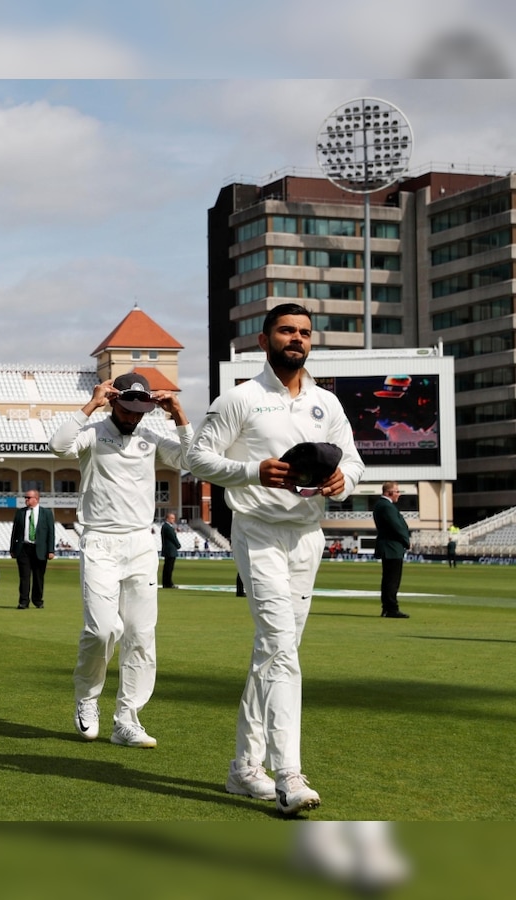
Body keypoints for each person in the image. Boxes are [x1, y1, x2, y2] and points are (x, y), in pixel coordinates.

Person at [187, 303, 365, 816]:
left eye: (305, 333)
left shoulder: (326, 403)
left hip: (307, 535)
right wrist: (251, 471)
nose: (297, 339)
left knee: (273, 653)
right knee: (281, 647)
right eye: (286, 331)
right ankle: (289, 774)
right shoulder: (239, 399)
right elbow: (198, 459)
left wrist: (342, 481)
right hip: (258, 532)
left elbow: (351, 459)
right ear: (264, 341)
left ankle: (244, 769)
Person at [49, 373, 191, 750]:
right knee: (102, 630)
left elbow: (190, 459)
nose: (133, 417)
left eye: (140, 410)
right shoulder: (94, 433)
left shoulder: (151, 438)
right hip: (100, 542)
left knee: (142, 635)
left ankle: (127, 719)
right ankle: (87, 698)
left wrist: (177, 412)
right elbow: (58, 445)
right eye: (127, 408)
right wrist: (91, 403)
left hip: (141, 543)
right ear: (115, 402)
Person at [9, 488, 55, 608]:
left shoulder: (47, 513)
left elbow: (51, 532)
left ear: (36, 499)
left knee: (38, 577)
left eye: (28, 498)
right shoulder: (20, 512)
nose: (26, 500)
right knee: (24, 577)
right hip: (23, 548)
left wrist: (51, 550)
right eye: (25, 498)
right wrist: (12, 549)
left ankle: (38, 600)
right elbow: (15, 532)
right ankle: (23, 601)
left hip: (40, 549)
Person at [372, 482, 411, 619]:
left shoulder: (382, 505)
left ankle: (388, 607)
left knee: (389, 579)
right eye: (397, 491)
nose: (398, 494)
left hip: (390, 546)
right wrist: (406, 541)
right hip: (392, 547)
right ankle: (391, 608)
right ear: (389, 493)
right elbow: (396, 526)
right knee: (392, 580)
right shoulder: (386, 506)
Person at [160, 511, 182, 589]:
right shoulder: (167, 527)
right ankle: (168, 583)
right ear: (167, 518)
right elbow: (173, 538)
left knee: (167, 567)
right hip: (170, 550)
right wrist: (178, 545)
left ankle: (166, 583)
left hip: (169, 550)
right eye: (172, 518)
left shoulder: (166, 526)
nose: (173, 520)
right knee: (169, 568)